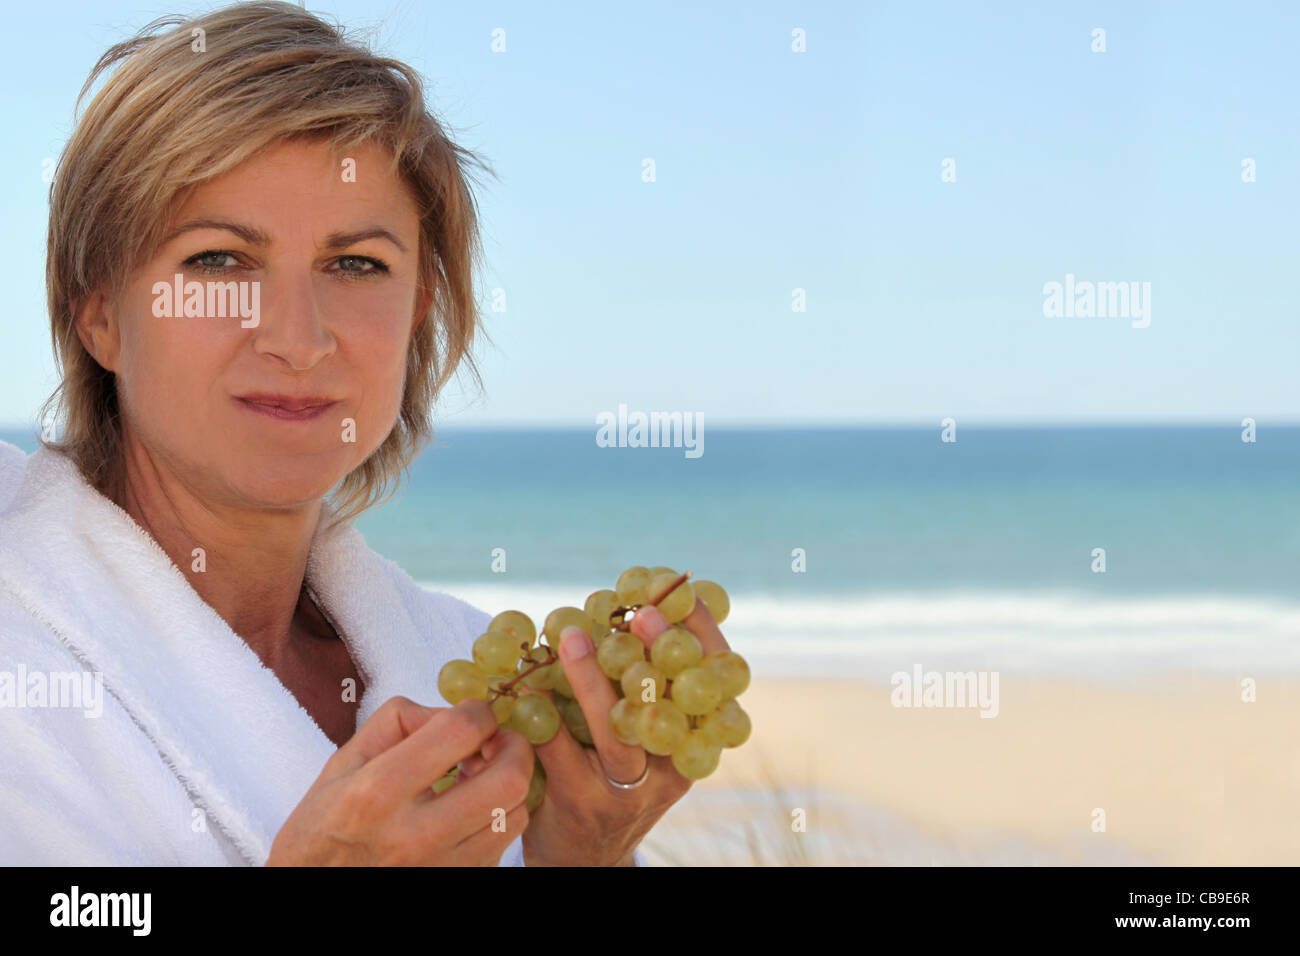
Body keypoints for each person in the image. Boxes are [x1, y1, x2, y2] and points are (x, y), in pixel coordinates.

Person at [0, 1, 730, 866]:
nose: (297, 339)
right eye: (219, 260)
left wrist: (575, 859)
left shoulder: (464, 663)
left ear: (419, 311)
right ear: (99, 314)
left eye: (356, 266)